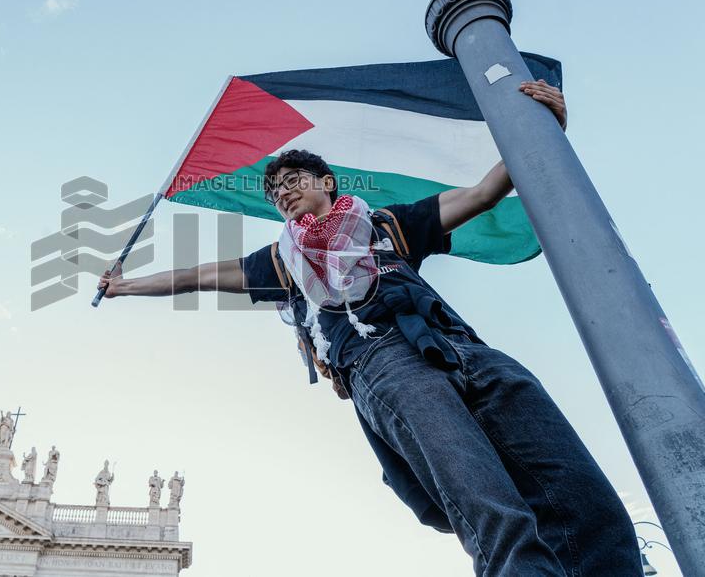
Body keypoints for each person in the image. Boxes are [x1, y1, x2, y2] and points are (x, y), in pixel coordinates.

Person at [98, 80, 641, 575]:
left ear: (326, 182)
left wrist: (540, 131)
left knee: (580, 492)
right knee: (487, 502)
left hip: (461, 346)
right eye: (275, 192)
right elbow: (199, 276)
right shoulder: (284, 261)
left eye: (293, 181)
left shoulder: (388, 224)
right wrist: (125, 286)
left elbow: (480, 194)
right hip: (383, 363)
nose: (283, 193)